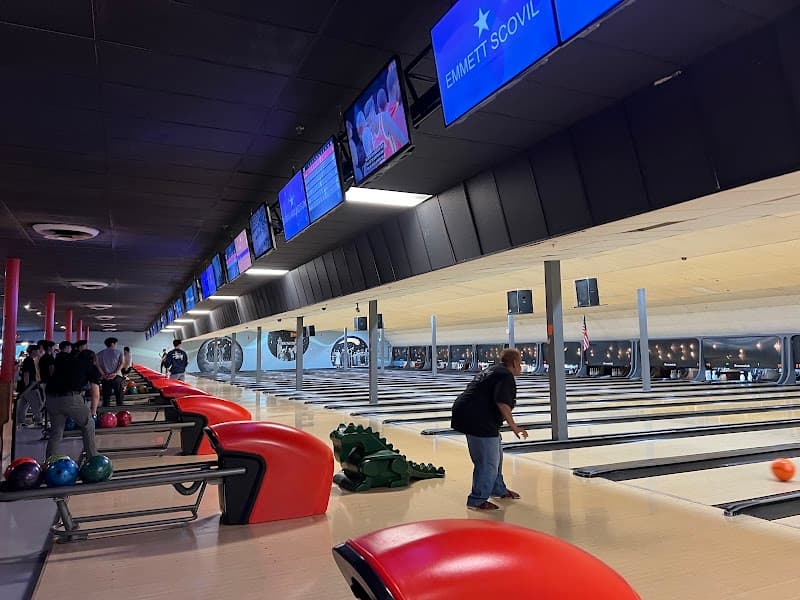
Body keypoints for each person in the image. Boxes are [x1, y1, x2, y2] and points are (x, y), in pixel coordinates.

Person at [451, 347, 528, 511]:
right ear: (514, 363)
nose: (521, 366)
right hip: (477, 419)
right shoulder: (506, 376)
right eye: (520, 362)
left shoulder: (493, 370)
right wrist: (514, 427)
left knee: (496, 455)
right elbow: (502, 403)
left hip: (471, 415)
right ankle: (477, 499)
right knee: (488, 462)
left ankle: (497, 488)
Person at [45, 341, 100, 459]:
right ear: (93, 359)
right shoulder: (90, 366)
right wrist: (93, 412)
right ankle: (93, 458)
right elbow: (95, 394)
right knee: (88, 423)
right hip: (69, 398)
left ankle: (49, 461)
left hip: (50, 398)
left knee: (56, 432)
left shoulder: (68, 362)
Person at [16, 343, 43, 428]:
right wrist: (28, 386)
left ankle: (20, 421)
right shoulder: (29, 360)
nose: (38, 352)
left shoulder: (27, 360)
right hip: (30, 387)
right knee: (36, 404)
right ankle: (38, 421)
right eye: (37, 351)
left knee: (23, 405)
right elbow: (26, 374)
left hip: (24, 387)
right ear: (33, 351)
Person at [97, 337, 124, 407]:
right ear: (112, 344)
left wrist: (103, 374)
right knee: (119, 397)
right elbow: (122, 363)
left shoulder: (100, 353)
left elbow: (97, 365)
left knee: (106, 398)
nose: (116, 345)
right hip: (117, 377)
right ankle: (120, 412)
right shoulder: (119, 352)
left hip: (106, 378)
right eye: (116, 344)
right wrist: (115, 373)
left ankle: (106, 414)